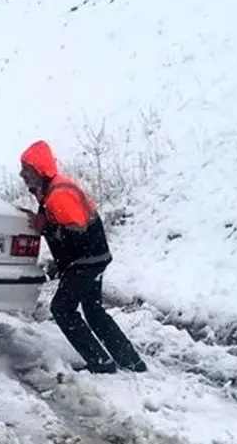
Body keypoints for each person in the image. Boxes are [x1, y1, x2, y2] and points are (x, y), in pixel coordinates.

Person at [19, 140, 147, 374]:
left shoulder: (58, 194)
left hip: (86, 261)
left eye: (26, 170)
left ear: (39, 170)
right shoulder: (49, 190)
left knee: (62, 309)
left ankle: (101, 362)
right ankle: (130, 361)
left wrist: (45, 225)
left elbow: (77, 234)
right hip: (93, 258)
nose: (22, 175)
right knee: (93, 310)